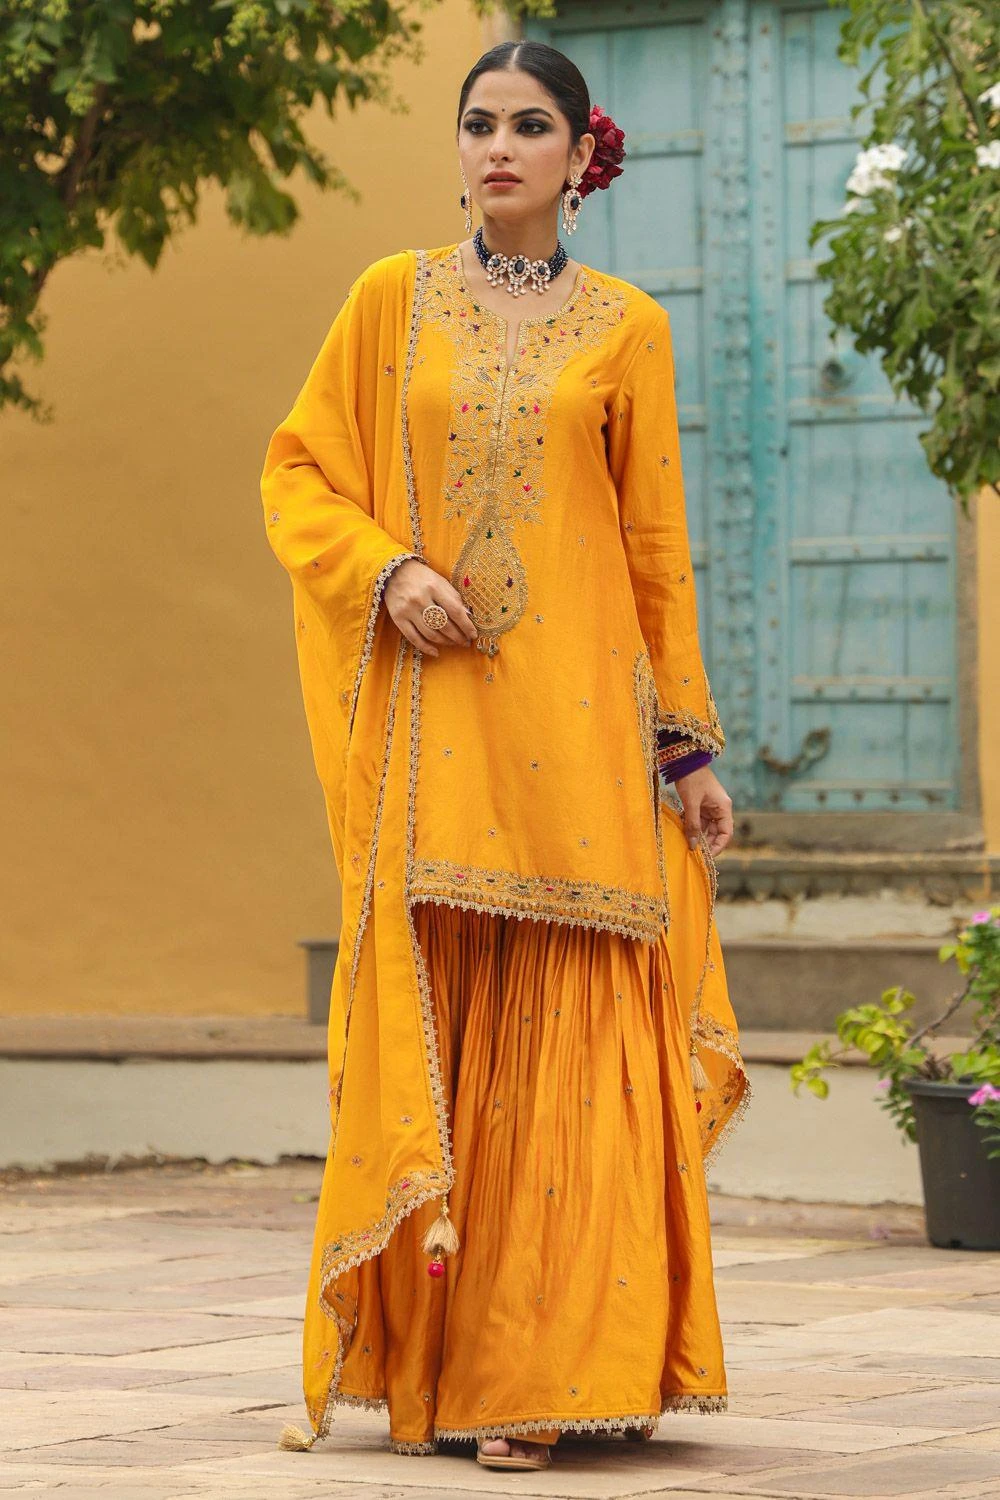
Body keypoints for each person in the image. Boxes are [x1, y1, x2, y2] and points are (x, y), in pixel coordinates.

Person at [260, 38, 751, 1474]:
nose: (496, 147)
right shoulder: (390, 300)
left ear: (578, 154)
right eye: (477, 123)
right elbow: (299, 470)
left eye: (528, 126)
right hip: (440, 734)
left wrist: (687, 751)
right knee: (447, 1020)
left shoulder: (627, 329)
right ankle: (444, 1369)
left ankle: (546, 1373)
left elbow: (653, 547)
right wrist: (387, 568)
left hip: (584, 737)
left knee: (572, 1052)